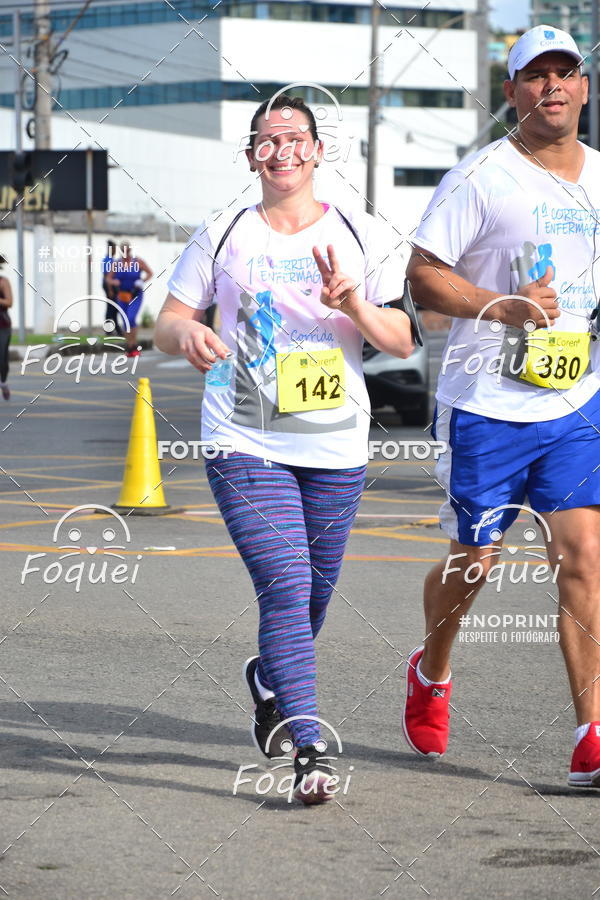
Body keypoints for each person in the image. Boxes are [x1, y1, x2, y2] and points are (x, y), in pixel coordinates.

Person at [155, 94, 414, 803]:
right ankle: (309, 745)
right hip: (243, 438)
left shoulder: (363, 233)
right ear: (251, 157)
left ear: (316, 150)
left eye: (295, 137)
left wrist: (353, 305)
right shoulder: (226, 231)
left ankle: (269, 679)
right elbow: (168, 320)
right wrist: (191, 337)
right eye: (267, 141)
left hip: (337, 444)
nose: (283, 150)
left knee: (312, 601)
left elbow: (402, 339)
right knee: (287, 586)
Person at [404, 25, 600, 787]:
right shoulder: (481, 175)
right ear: (513, 92)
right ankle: (432, 669)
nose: (552, 85)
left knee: (583, 558)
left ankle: (591, 730)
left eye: (566, 72)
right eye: (535, 75)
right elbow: (423, 278)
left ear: (584, 86)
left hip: (575, 403)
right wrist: (501, 306)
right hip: (485, 404)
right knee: (476, 561)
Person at [108, 241, 153, 357]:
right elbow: (108, 278)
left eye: (127, 251)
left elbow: (150, 273)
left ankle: (134, 345)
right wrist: (114, 282)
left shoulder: (137, 261)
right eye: (123, 251)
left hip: (135, 294)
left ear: (130, 250)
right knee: (125, 321)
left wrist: (142, 281)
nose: (125, 253)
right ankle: (129, 346)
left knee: (131, 318)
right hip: (122, 296)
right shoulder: (116, 264)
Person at [101, 239, 121, 336]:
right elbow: (107, 276)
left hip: (113, 286)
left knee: (114, 308)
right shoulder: (108, 260)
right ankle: (109, 330)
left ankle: (116, 329)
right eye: (114, 249)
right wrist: (110, 290)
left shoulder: (112, 260)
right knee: (110, 308)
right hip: (109, 286)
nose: (115, 251)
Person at [0, 254, 13, 401]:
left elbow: (9, 302)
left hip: (2, 324)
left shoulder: (3, 282)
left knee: (2, 359)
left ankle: (3, 382)